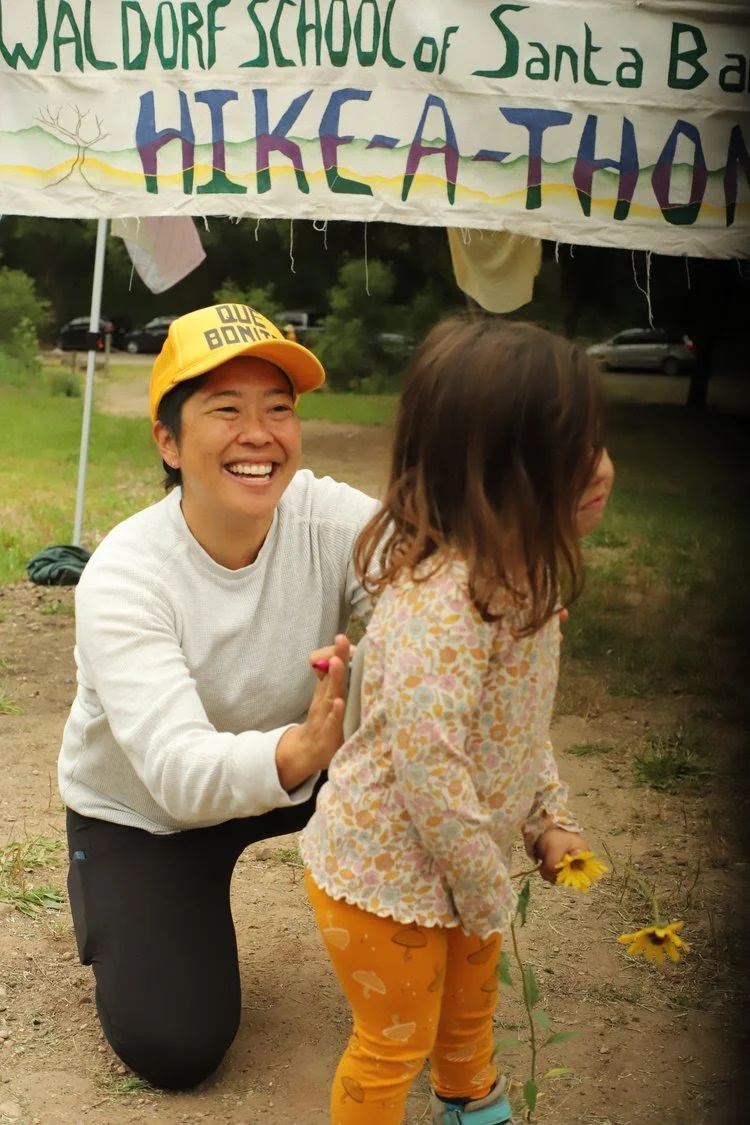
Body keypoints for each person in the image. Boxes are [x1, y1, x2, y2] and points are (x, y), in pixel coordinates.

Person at [301, 316, 615, 1125]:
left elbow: (515, 724)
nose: (603, 468)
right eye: (575, 449)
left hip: (458, 872)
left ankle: (471, 1104)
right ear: (498, 469)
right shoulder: (442, 605)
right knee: (392, 1045)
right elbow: (429, 765)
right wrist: (486, 889)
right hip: (387, 880)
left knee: (467, 1021)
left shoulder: (522, 581)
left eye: (599, 442)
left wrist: (548, 818)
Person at [58, 302, 379, 1090]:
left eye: (278, 409)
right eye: (226, 410)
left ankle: (416, 955)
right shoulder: (128, 575)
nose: (259, 433)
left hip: (301, 771)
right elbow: (172, 767)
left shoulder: (331, 518)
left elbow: (439, 588)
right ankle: (118, 897)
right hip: (147, 812)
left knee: (418, 760)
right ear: (167, 440)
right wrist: (300, 749)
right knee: (176, 1043)